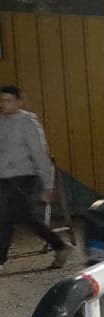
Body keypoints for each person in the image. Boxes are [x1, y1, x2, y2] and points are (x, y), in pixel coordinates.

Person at [0, 85, 71, 272]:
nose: (4, 104)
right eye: (2, 101)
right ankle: (59, 245)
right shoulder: (2, 122)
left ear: (18, 102)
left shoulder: (27, 122)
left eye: (8, 100)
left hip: (23, 176)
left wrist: (48, 183)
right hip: (4, 177)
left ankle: (0, 259)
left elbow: (39, 152)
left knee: (6, 217)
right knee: (24, 216)